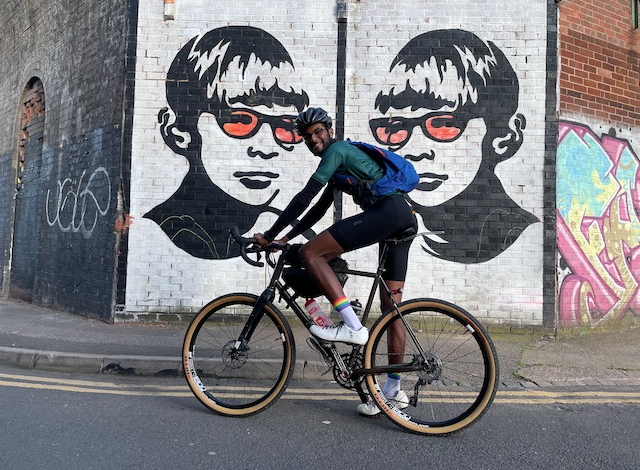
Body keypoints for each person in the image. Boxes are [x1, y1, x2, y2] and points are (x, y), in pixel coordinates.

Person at [254, 107, 418, 416]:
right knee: (391, 309)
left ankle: (353, 327)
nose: (313, 139)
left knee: (311, 254)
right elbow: (316, 210)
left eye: (318, 132)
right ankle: (393, 391)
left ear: (329, 130)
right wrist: (286, 238)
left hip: (387, 212)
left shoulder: (338, 150)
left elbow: (305, 196)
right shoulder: (341, 164)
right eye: (307, 136)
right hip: (401, 218)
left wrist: (269, 233)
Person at [370, 29, 538, 263]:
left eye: (442, 125)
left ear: (504, 135)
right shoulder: (395, 226)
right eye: (395, 128)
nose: (416, 151)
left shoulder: (523, 235)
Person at [144, 26, 311, 259]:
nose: (265, 148)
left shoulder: (285, 224)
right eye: (240, 121)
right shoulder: (169, 229)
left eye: (286, 127)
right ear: (179, 132)